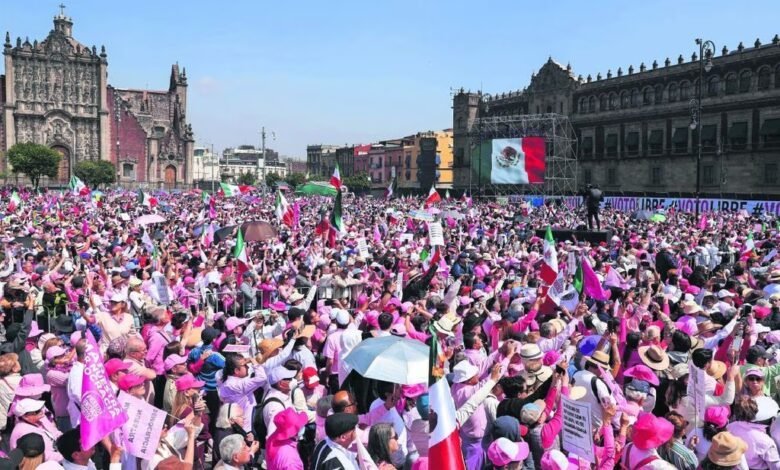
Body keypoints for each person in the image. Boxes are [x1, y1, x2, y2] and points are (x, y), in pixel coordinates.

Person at [9, 398, 63, 462]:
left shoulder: (40, 419)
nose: (42, 411)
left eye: (41, 408)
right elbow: (41, 455)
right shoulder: (24, 431)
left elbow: (55, 432)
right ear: (25, 416)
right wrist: (65, 457)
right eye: (37, 411)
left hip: (56, 454)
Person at [56, 426, 123, 470]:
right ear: (76, 455)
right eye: (85, 443)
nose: (91, 443)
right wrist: (114, 461)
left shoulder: (82, 461)